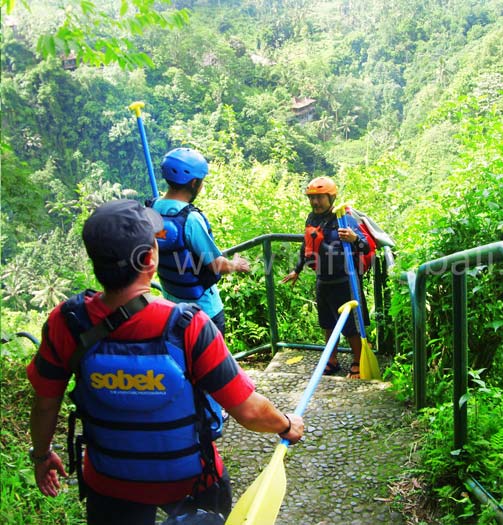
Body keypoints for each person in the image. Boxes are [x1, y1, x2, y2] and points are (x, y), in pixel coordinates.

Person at [27, 199, 304, 525]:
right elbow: (250, 411)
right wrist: (287, 424)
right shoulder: (188, 325)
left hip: (110, 483)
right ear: (149, 259)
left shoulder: (67, 322)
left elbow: (46, 404)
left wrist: (42, 455)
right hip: (191, 482)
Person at [149, 147, 250, 336]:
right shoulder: (190, 219)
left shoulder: (152, 209)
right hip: (205, 311)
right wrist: (236, 264)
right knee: (213, 363)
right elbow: (217, 265)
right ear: (194, 182)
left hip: (174, 308)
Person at [282, 176, 371, 379]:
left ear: (330, 197)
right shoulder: (312, 218)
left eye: (319, 198)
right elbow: (306, 245)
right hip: (323, 279)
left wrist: (354, 238)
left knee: (350, 326)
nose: (315, 202)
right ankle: (331, 360)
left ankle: (358, 361)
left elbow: (365, 245)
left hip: (345, 280)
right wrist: (297, 269)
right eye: (312, 198)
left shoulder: (344, 218)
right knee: (327, 323)